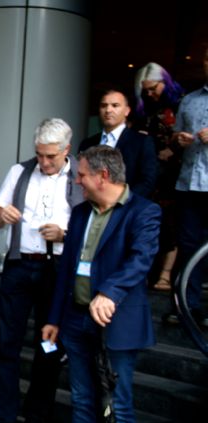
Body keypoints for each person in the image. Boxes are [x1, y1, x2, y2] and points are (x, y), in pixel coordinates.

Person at [42, 145, 161, 423]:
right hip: (75, 319)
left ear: (103, 176)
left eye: (82, 175)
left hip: (117, 321)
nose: (77, 180)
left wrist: (109, 292)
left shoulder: (144, 211)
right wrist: (54, 318)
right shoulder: (80, 212)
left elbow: (141, 259)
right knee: (81, 399)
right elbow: (66, 269)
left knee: (118, 405)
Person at [0, 118, 83, 423]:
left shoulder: (81, 175)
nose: (43, 162)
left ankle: (36, 415)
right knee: (6, 344)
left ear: (66, 149)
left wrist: (65, 235)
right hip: (18, 266)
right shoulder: (19, 171)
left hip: (57, 271)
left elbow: (94, 226)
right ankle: (2, 417)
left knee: (48, 346)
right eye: (39, 154)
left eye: (50, 156)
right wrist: (1, 214)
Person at [133, 63, 185, 291]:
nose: (150, 94)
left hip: (175, 172)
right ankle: (146, 272)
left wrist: (173, 150)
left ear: (165, 82)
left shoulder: (182, 102)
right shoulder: (145, 108)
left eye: (153, 88)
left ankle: (166, 275)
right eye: (145, 90)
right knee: (148, 221)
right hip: (148, 172)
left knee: (171, 222)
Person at [166, 46, 208, 327]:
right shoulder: (189, 100)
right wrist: (178, 140)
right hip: (189, 184)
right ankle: (186, 305)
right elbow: (173, 137)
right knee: (188, 246)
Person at [79, 88, 157, 198]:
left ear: (127, 111)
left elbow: (147, 181)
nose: (108, 110)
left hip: (127, 205)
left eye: (115, 105)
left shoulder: (142, 142)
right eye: (104, 106)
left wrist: (122, 201)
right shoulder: (87, 144)